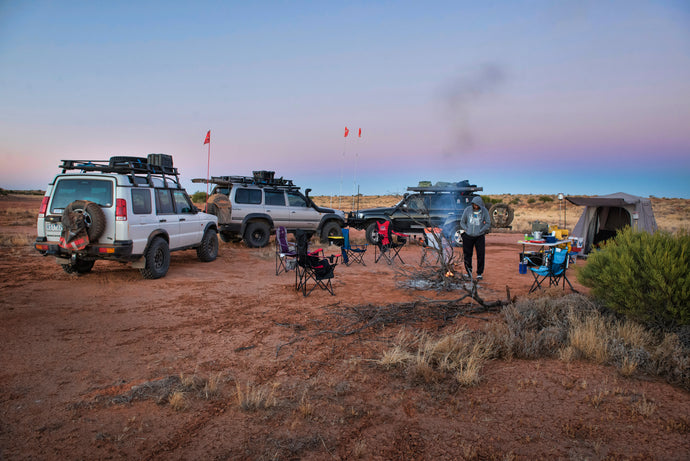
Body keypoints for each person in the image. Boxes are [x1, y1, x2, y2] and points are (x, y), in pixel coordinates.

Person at [459, 196, 491, 280]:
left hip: (479, 237)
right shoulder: (467, 210)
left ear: (480, 205)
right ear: (472, 204)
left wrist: (481, 230)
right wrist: (466, 229)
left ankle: (479, 273)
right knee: (467, 255)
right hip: (468, 236)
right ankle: (469, 272)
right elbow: (462, 221)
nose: (476, 206)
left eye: (477, 205)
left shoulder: (484, 211)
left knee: (480, 255)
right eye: (474, 204)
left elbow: (488, 223)